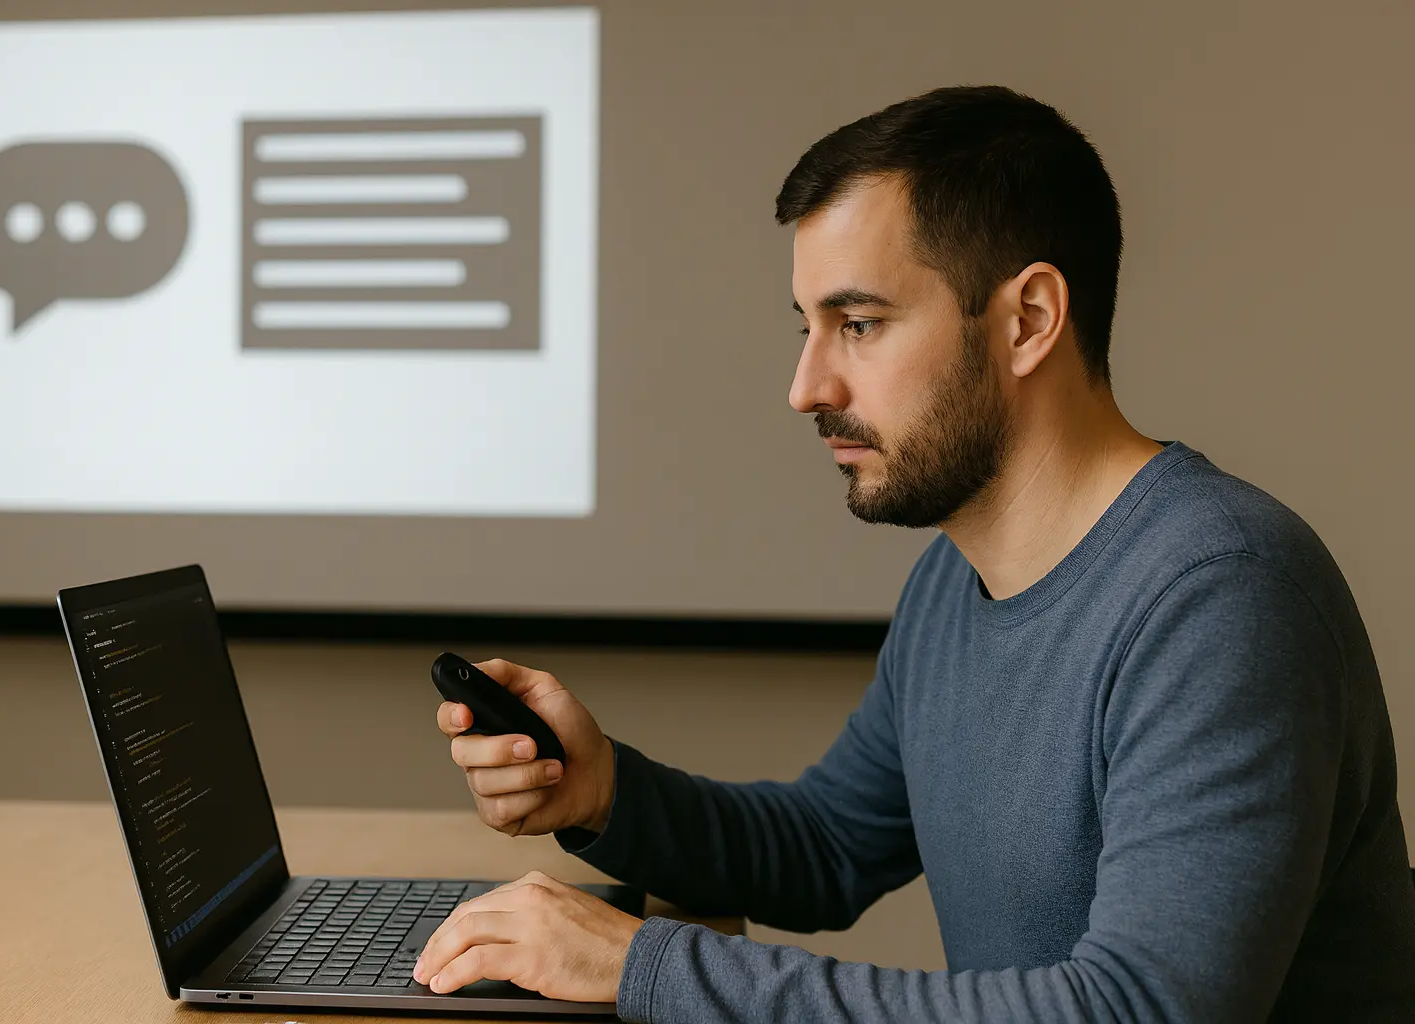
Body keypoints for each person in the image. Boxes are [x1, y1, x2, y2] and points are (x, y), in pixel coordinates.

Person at [412, 85, 1415, 1022]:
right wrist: (605, 793)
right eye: (807, 329)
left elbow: (1136, 1010)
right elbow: (830, 844)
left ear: (1027, 320)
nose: (806, 387)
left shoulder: (1224, 596)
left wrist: (646, 965)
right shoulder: (959, 575)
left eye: (858, 324)